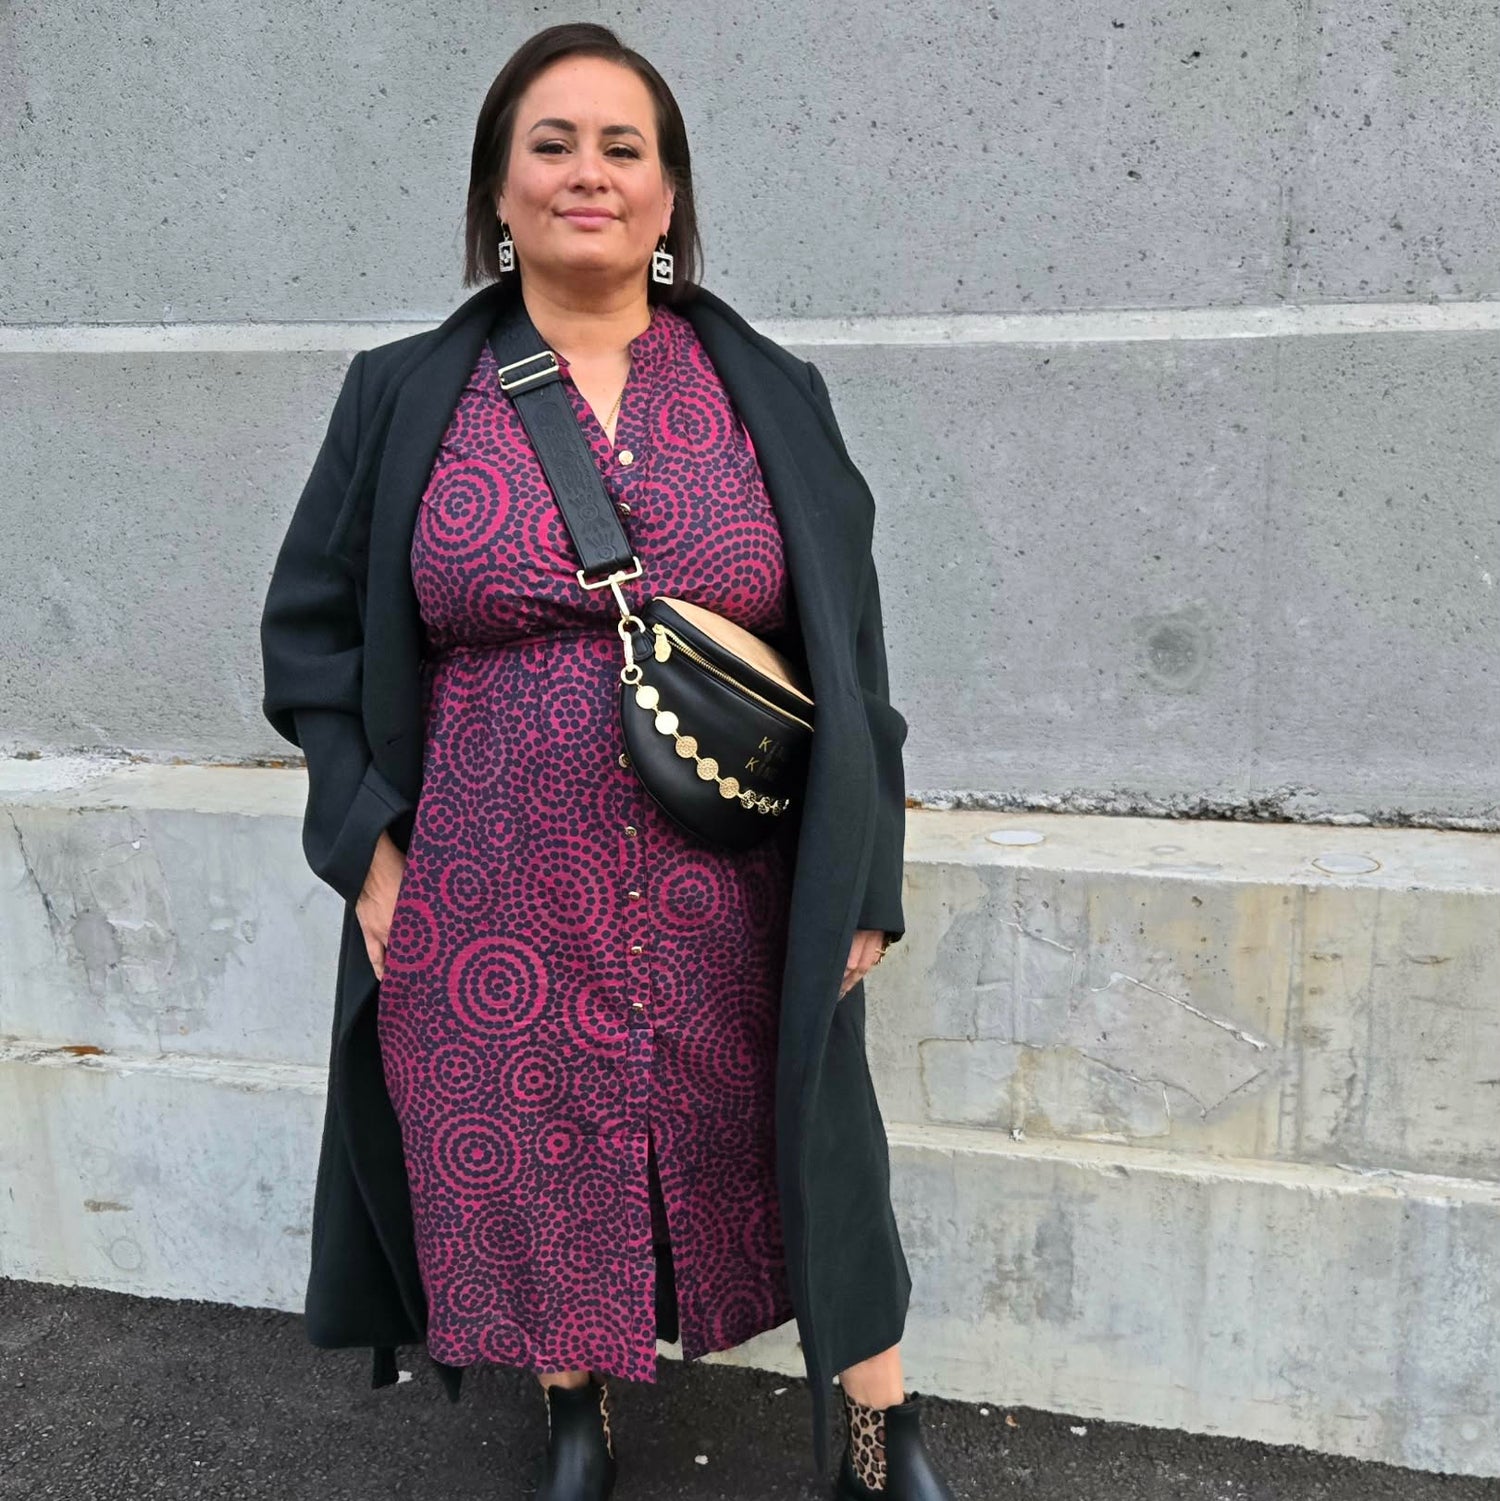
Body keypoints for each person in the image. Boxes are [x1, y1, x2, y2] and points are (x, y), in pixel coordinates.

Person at [259, 22, 955, 1501]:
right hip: (486, 886)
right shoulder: (400, 393)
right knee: (538, 1150)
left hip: (739, 886)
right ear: (496, 195)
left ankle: (881, 1433)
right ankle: (578, 1414)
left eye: (623, 148)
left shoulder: (770, 387)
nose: (590, 174)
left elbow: (858, 658)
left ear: (669, 193)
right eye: (553, 145)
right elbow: (310, 645)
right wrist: (374, 863)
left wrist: (872, 884)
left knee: (815, 1157)